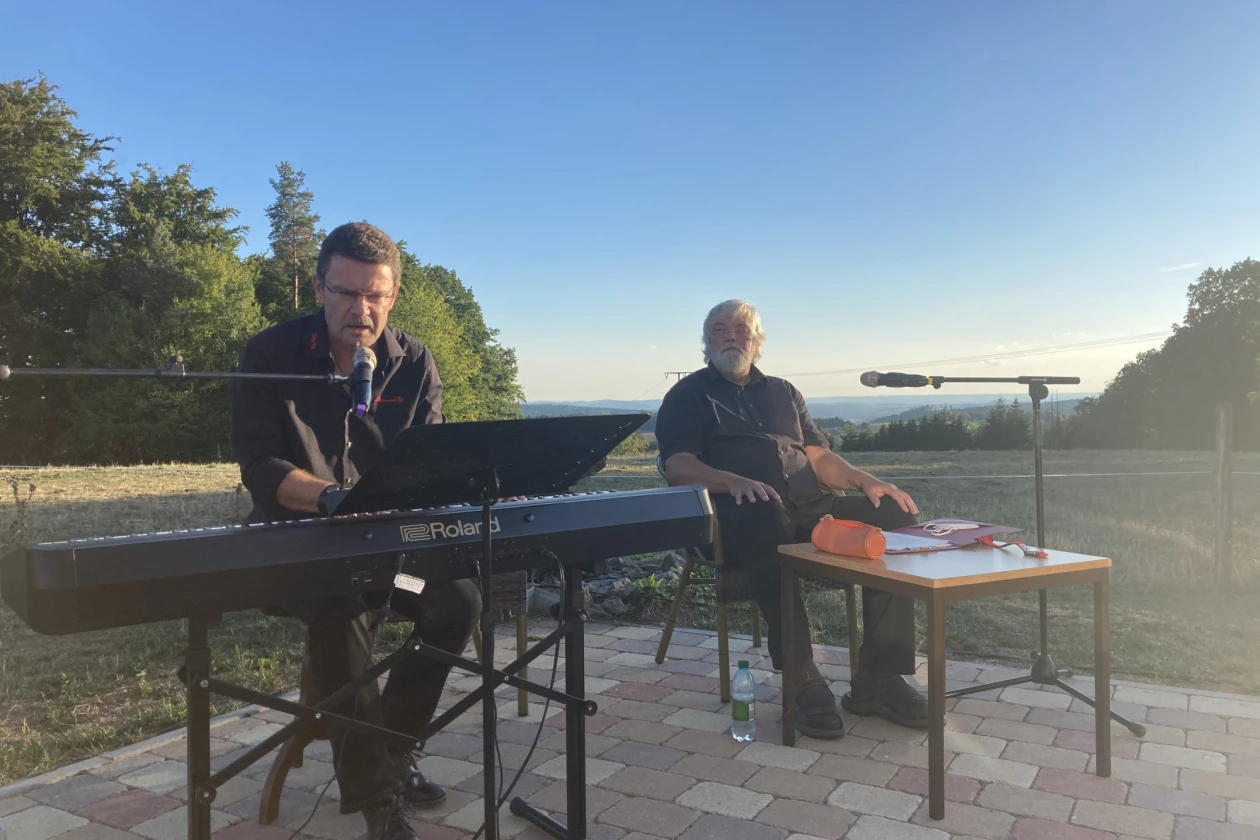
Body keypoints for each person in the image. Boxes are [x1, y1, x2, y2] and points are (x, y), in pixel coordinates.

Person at [230, 222, 480, 840]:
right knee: (341, 615)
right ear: (319, 287)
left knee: (454, 602)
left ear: (393, 295)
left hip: (390, 556)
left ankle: (391, 754)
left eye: (375, 296)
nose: (360, 310)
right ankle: (377, 801)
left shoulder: (415, 362)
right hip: (298, 548)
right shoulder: (271, 355)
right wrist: (335, 500)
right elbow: (261, 469)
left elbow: (429, 465)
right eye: (345, 293)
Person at [655, 299, 928, 739]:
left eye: (741, 329)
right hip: (736, 519)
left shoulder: (784, 392)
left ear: (757, 341)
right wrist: (731, 480)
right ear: (706, 343)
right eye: (719, 329)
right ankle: (803, 677)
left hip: (809, 510)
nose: (730, 336)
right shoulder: (688, 395)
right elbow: (678, 466)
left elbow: (818, 457)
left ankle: (879, 678)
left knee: (892, 512)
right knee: (766, 515)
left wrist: (865, 481)